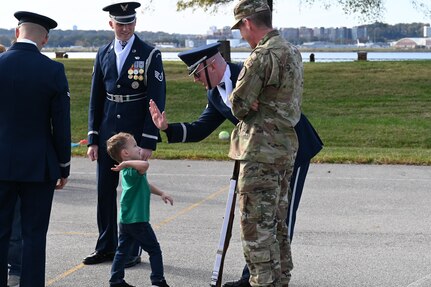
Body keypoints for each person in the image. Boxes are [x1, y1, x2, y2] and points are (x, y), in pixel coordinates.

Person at [149, 41, 322, 286]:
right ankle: (251, 276)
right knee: (258, 217)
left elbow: (283, 97)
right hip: (262, 155)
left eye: (197, 73)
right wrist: (167, 127)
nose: (196, 80)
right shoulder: (215, 93)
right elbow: (200, 128)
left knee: (282, 215)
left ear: (211, 65)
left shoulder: (248, 72)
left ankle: (279, 276)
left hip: (294, 148)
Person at [227, 0, 305, 285]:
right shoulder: (292, 51)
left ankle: (263, 281)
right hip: (284, 150)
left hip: (260, 153)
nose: (241, 35)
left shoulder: (262, 56)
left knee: (255, 228)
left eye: (241, 28)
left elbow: (238, 104)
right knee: (276, 225)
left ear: (248, 23)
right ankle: (280, 280)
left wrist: (249, 101)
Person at [84, 1, 166, 268]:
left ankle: (131, 249)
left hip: (133, 136)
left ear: (135, 23)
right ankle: (106, 246)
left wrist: (147, 141)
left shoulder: (149, 53)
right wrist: (94, 138)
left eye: (130, 22)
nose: (125, 28)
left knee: (132, 193)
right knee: (105, 192)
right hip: (109, 133)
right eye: (120, 24)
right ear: (111, 24)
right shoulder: (103, 52)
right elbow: (96, 97)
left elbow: (156, 99)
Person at [0, 11, 71, 287]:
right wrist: (64, 166)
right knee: (33, 235)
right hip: (38, 166)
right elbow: (61, 125)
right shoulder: (53, 70)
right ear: (44, 39)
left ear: (17, 33)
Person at [106, 132, 173, 287]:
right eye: (135, 146)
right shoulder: (130, 169)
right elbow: (145, 165)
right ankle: (158, 280)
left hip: (126, 220)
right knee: (154, 250)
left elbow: (145, 185)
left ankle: (115, 280)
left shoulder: (129, 169)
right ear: (125, 153)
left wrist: (161, 193)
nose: (139, 148)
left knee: (122, 250)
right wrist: (127, 164)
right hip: (138, 220)